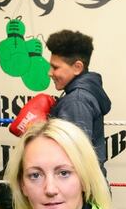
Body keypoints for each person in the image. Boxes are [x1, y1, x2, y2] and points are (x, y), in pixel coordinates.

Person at [46, 29, 113, 178]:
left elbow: (75, 158)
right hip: (87, 188)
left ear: (77, 67)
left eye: (55, 67)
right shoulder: (81, 94)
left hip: (82, 191)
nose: (50, 73)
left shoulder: (76, 100)